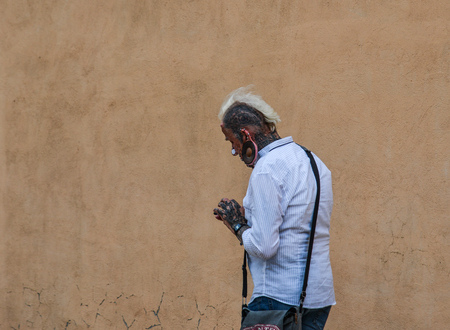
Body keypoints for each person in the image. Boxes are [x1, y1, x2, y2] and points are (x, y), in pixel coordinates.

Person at [213, 86, 335, 330]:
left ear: (246, 135)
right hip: (318, 297)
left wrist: (238, 225)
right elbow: (296, 222)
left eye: (232, 141)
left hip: (277, 300)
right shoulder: (312, 160)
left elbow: (264, 246)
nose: (234, 150)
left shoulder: (267, 169)